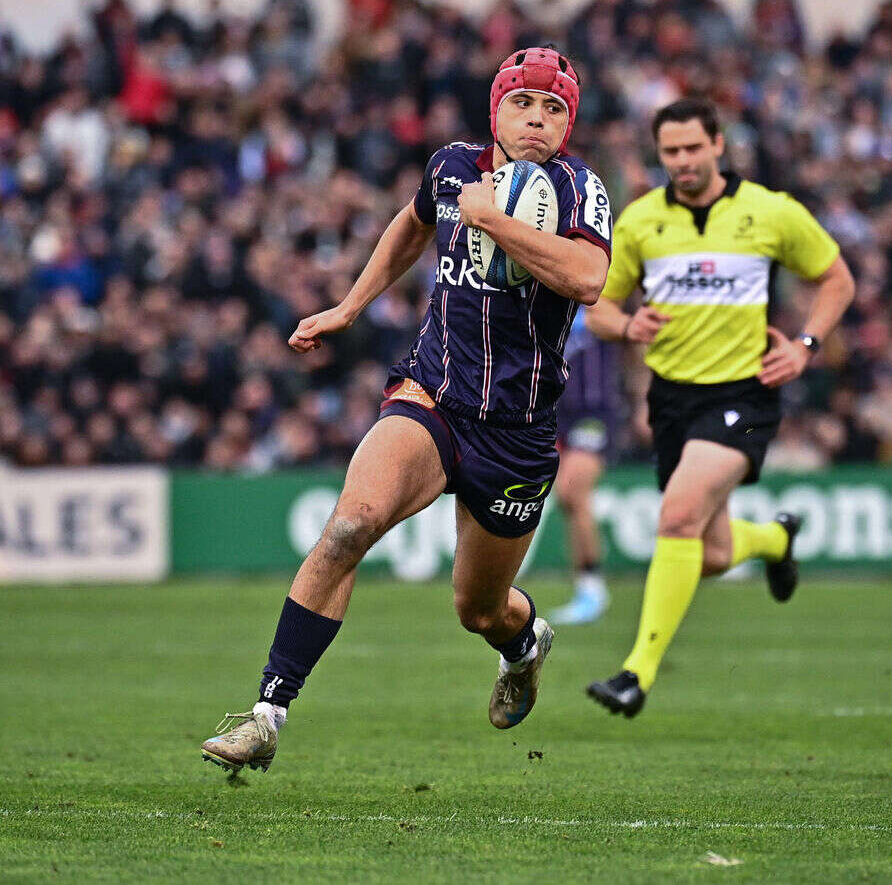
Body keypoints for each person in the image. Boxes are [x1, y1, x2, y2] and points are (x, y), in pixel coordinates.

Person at [200, 47, 612, 774]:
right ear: (496, 109)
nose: (538, 120)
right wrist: (349, 306)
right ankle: (267, 713)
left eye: (555, 109)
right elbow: (412, 225)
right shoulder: (453, 167)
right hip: (431, 395)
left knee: (479, 610)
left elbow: (586, 277)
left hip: (517, 433)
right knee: (350, 525)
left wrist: (494, 220)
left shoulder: (580, 189)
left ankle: (523, 643)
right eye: (524, 103)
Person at [583, 98, 854, 717]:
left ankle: (635, 673)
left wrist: (807, 346)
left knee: (677, 515)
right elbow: (596, 305)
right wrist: (626, 326)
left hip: (745, 392)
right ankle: (775, 541)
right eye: (669, 152)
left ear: (718, 145)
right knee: (709, 552)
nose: (680, 161)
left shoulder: (771, 212)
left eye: (691, 149)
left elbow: (838, 279)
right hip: (672, 399)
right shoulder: (639, 222)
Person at [547, 308, 624, 625]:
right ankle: (586, 586)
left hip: (595, 412)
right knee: (568, 499)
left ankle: (592, 587)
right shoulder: (546, 297)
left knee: (571, 490)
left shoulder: (600, 299)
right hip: (555, 413)